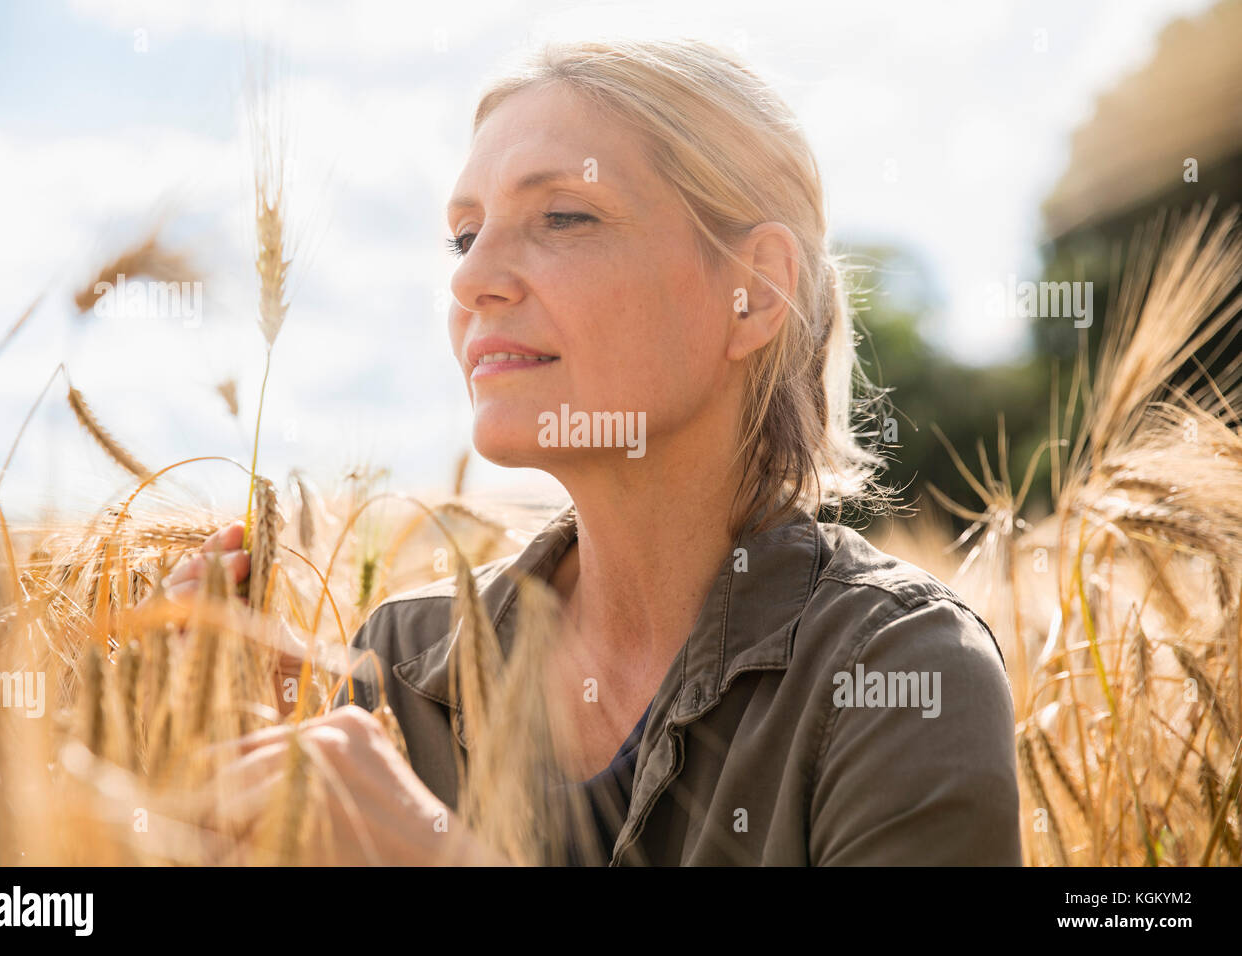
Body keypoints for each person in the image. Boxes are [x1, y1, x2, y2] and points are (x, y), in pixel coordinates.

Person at [166, 37, 1021, 866]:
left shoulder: (900, 669)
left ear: (753, 292)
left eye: (564, 217)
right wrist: (199, 757)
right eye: (463, 236)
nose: (471, 280)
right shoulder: (398, 663)